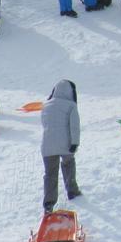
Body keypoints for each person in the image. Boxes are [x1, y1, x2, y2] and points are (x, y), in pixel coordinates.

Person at [40, 79, 82, 213]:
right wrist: (74, 143)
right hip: (65, 143)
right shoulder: (71, 106)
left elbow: (44, 123)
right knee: (68, 163)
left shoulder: (46, 105)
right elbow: (74, 126)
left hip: (47, 145)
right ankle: (72, 191)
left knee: (50, 173)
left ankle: (49, 203)